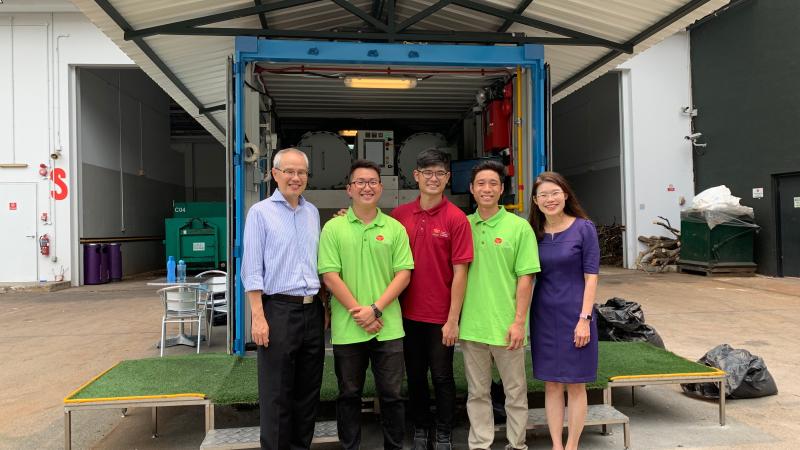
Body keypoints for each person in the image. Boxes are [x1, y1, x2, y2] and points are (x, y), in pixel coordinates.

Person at [318, 159, 414, 450]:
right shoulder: (333, 228)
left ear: (381, 188)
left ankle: (394, 446)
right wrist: (360, 313)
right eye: (360, 182)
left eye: (372, 182)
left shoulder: (395, 228)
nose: (366, 187)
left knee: (392, 396)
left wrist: (375, 309)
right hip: (349, 328)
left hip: (388, 327)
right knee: (349, 394)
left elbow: (404, 274)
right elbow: (330, 276)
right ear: (349, 189)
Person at [241, 148, 325, 450]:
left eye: (301, 172)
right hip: (278, 310)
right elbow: (252, 269)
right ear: (274, 174)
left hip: (312, 311)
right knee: (276, 393)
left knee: (308, 392)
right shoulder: (260, 213)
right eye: (289, 171)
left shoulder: (312, 212)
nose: (295, 177)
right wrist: (258, 316)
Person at [391, 149, 473, 450]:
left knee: (442, 376)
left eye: (439, 173)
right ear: (416, 176)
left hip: (440, 316)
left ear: (448, 177)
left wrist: (453, 319)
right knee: (414, 376)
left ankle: (444, 431)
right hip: (406, 314)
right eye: (427, 173)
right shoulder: (399, 216)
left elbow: (461, 272)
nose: (433, 178)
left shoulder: (456, 219)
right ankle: (421, 428)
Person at [459, 160, 540, 450]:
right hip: (472, 325)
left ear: (502, 189)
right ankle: (480, 444)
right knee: (477, 392)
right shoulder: (462, 225)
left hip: (508, 326)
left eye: (493, 183)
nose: (487, 188)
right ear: (471, 189)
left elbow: (526, 278)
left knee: (515, 392)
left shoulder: (519, 227)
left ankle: (517, 444)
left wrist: (519, 322)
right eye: (481, 183)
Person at [528, 171, 600, 450]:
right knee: (552, 384)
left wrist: (584, 319)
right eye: (543, 195)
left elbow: (591, 277)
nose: (550, 199)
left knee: (576, 384)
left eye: (555, 193)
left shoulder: (584, 228)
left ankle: (572, 446)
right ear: (535, 201)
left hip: (576, 314)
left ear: (566, 195)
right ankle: (556, 445)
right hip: (544, 317)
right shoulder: (533, 233)